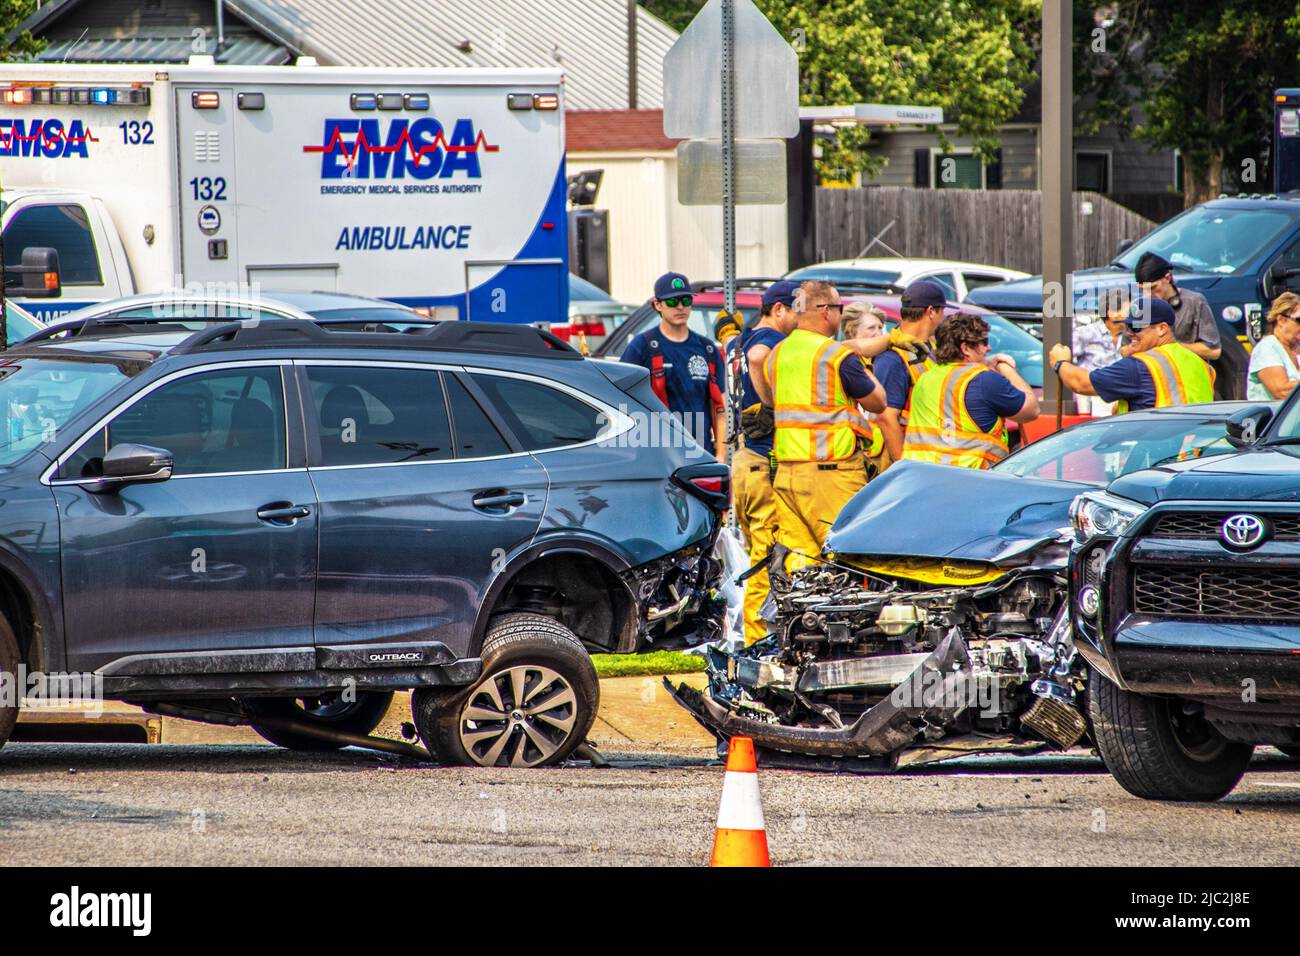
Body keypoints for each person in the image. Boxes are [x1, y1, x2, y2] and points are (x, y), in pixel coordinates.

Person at [767, 280, 887, 565]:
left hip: (787, 473)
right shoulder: (835, 355)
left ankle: (799, 611)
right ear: (825, 311)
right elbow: (878, 402)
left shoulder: (778, 353)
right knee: (848, 554)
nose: (840, 315)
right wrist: (858, 352)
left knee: (800, 560)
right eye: (839, 308)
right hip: (830, 471)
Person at [729, 279, 799, 645]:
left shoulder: (744, 339)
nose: (800, 319)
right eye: (795, 310)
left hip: (746, 460)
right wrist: (772, 404)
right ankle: (758, 643)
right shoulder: (768, 343)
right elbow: (758, 359)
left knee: (760, 552)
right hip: (763, 461)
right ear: (778, 310)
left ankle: (759, 636)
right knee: (766, 556)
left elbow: (735, 345)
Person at [902, 312, 1039, 469]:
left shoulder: (926, 378)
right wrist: (1004, 366)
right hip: (969, 481)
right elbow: (1031, 410)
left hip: (921, 476)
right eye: (984, 342)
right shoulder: (984, 380)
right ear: (966, 348)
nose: (989, 348)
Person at [621, 272, 726, 458]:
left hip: (700, 453)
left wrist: (721, 457)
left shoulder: (707, 349)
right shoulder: (642, 347)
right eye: (672, 302)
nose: (680, 307)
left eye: (685, 300)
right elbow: (622, 401)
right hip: (657, 455)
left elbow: (721, 409)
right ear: (658, 305)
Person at [1049, 296, 1215, 413]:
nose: (1129, 334)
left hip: (1158, 455)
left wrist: (1060, 363)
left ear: (1162, 328)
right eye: (1128, 327)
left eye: (1136, 328)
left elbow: (1082, 384)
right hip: (1195, 456)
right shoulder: (1203, 366)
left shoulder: (1141, 366)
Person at [870, 280, 946, 471]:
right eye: (942, 311)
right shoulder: (893, 357)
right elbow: (887, 418)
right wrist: (905, 469)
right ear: (931, 311)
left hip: (927, 457)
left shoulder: (932, 347)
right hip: (903, 461)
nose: (943, 317)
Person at [1133, 252, 1221, 362]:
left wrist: (1169, 347)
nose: (1147, 295)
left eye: (1152, 288)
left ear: (1168, 278)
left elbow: (1213, 351)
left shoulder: (1195, 301)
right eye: (1142, 289)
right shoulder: (1138, 307)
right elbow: (1124, 348)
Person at [1072, 287, 1130, 417]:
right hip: (1093, 403)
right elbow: (1066, 365)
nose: (1133, 315)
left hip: (1123, 402)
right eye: (1129, 310)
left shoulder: (1132, 337)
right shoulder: (1084, 334)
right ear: (1112, 312)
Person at [1247, 292, 1300, 401]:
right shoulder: (1267, 348)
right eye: (1299, 321)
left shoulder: (1297, 347)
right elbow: (1282, 391)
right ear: (1281, 320)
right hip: (1272, 416)